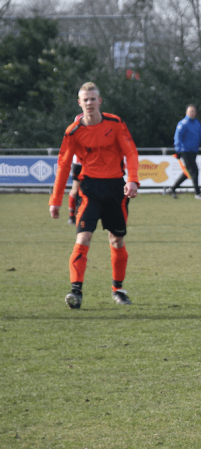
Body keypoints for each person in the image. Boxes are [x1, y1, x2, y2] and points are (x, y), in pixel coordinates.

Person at [49, 82, 139, 309]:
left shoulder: (115, 123)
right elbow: (63, 165)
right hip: (89, 190)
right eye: (85, 99)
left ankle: (118, 289)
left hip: (115, 189)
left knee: (116, 240)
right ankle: (76, 293)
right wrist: (55, 200)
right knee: (83, 237)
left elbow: (130, 152)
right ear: (79, 103)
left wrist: (133, 180)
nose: (89, 103)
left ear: (100, 101)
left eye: (93, 99)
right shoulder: (73, 131)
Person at [165, 104, 201, 199]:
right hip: (185, 151)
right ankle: (198, 194)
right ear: (187, 112)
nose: (192, 113)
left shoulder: (197, 123)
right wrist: (177, 150)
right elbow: (177, 137)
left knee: (188, 172)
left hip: (194, 151)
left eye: (194, 111)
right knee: (194, 170)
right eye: (191, 111)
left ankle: (172, 189)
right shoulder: (183, 123)